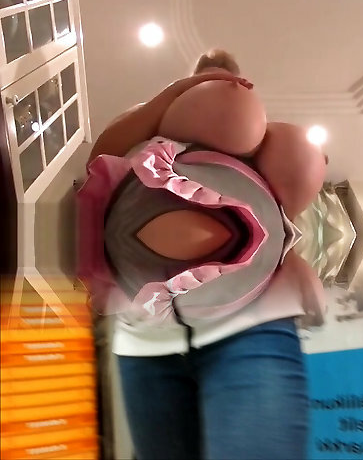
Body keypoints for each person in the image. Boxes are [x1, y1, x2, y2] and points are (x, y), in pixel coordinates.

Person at [87, 49, 310, 460]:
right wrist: (174, 94)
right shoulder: (150, 128)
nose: (215, 90)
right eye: (204, 81)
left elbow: (285, 216)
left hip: (248, 326)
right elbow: (100, 156)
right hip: (147, 343)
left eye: (227, 83)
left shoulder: (259, 143)